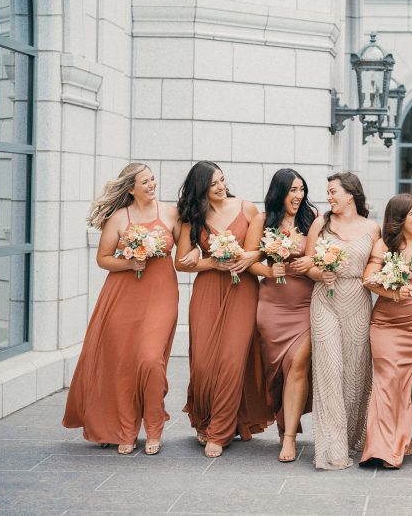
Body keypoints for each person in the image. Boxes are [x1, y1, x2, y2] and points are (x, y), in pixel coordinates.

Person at [63, 163, 194, 456]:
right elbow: (103, 258)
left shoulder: (171, 213)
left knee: (151, 361)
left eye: (152, 179)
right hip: (122, 298)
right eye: (144, 182)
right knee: (123, 367)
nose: (151, 185)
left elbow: (185, 251)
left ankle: (154, 428)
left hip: (161, 296)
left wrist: (197, 251)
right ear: (131, 188)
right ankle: (125, 430)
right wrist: (129, 263)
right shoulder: (119, 218)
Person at [176, 160, 271, 458]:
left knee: (232, 360)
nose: (220, 187)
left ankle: (220, 431)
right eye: (212, 184)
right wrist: (210, 262)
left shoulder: (247, 209)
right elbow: (181, 263)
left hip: (242, 290)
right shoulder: (193, 216)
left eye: (221, 180)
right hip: (207, 290)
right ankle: (204, 419)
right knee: (203, 363)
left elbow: (258, 252)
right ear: (201, 189)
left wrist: (247, 255)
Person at [360, 194, 412, 468]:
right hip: (385, 324)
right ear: (399, 219)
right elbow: (368, 279)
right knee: (386, 380)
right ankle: (381, 448)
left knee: (408, 380)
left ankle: (410, 437)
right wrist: (392, 291)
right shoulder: (385, 244)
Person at [305, 172, 380, 469]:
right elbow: (309, 264)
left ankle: (349, 438)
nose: (329, 197)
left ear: (350, 194)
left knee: (354, 371)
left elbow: (376, 266)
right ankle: (331, 447)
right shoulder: (320, 224)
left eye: (333, 191)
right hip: (325, 299)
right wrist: (319, 273)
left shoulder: (372, 228)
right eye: (328, 192)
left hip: (358, 301)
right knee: (329, 369)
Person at [246, 169, 318, 463]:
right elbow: (250, 259)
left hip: (305, 305)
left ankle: (289, 438)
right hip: (272, 307)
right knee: (276, 372)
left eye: (301, 189)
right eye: (292, 190)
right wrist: (267, 269)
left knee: (298, 363)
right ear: (280, 193)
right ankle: (282, 424)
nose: (298, 196)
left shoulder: (312, 218)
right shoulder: (263, 221)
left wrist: (311, 263)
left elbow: (321, 254)